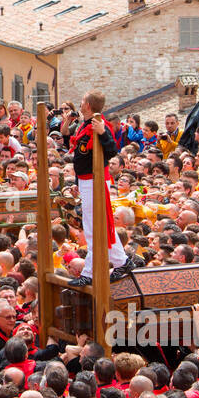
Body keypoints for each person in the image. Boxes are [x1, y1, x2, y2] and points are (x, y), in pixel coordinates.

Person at [67, 91, 132, 288]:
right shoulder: (84, 125)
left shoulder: (99, 124)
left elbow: (112, 150)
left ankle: (90, 272)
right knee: (95, 226)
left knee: (94, 227)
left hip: (96, 180)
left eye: (82, 101)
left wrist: (103, 132)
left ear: (87, 104)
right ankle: (122, 262)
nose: (80, 103)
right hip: (86, 180)